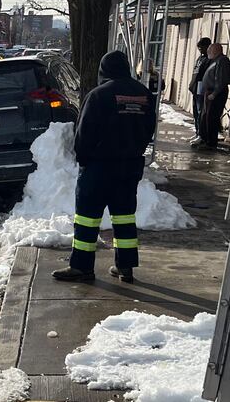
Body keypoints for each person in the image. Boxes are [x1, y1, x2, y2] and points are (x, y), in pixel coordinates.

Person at [53, 50, 156, 284]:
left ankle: (81, 267)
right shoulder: (144, 94)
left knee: (87, 219)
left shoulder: (99, 95)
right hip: (129, 167)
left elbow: (85, 133)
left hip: (100, 167)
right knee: (124, 217)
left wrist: (84, 159)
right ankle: (125, 266)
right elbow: (149, 129)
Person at [199, 43, 230, 150]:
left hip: (216, 93)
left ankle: (210, 143)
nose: (208, 51)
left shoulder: (222, 61)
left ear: (216, 50)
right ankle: (205, 139)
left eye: (210, 49)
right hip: (210, 92)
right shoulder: (215, 60)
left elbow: (220, 79)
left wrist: (214, 93)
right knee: (206, 117)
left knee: (211, 117)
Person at [188, 37, 212, 144]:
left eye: (201, 48)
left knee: (200, 110)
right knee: (196, 111)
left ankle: (201, 134)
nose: (200, 50)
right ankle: (197, 131)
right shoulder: (200, 59)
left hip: (202, 87)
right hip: (195, 87)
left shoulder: (209, 59)